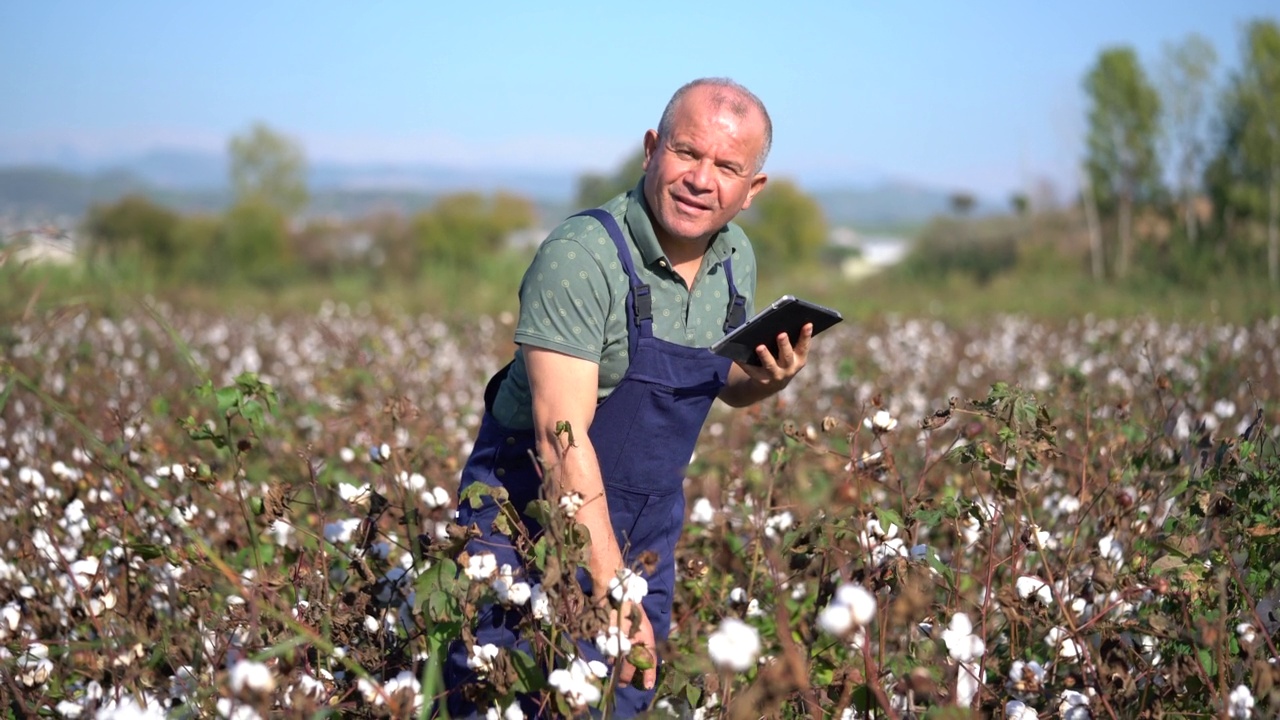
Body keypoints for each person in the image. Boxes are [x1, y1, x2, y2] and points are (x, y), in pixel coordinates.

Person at [443, 77, 814, 717]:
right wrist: (613, 595)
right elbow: (560, 445)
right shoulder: (583, 257)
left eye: (727, 167)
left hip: (646, 533)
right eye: (686, 152)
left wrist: (765, 380)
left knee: (619, 702)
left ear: (752, 190)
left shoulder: (734, 259)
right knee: (504, 697)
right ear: (651, 150)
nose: (702, 179)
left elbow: (713, 379)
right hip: (526, 525)